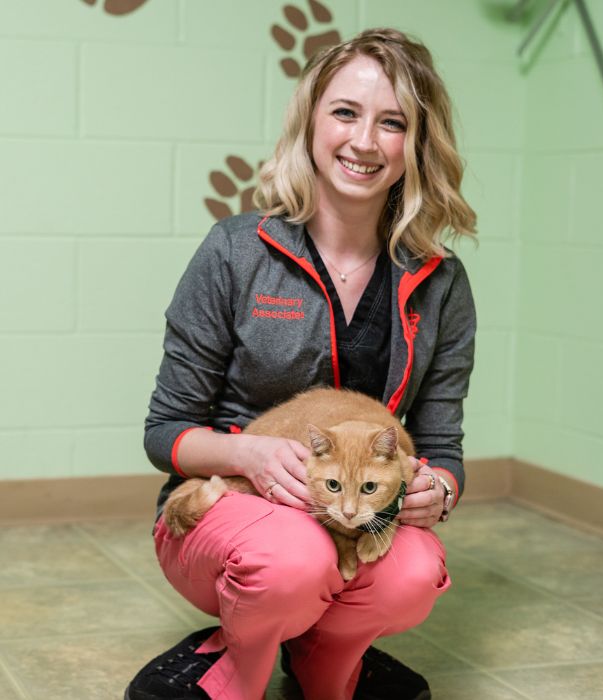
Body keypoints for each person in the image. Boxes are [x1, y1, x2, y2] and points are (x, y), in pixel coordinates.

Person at [125, 27, 476, 700]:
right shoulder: (234, 250)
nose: (365, 142)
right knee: (293, 561)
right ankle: (234, 660)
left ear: (418, 142)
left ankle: (326, 659)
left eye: (393, 122)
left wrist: (440, 490)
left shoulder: (442, 281)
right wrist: (249, 458)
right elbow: (164, 434)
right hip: (229, 509)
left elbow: (442, 447)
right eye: (345, 112)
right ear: (310, 120)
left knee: (412, 574)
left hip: (352, 508)